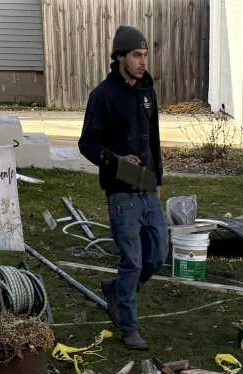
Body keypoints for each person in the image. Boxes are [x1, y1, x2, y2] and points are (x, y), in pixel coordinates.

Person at [78, 26, 168, 351]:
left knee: (158, 254)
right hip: (120, 193)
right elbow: (87, 143)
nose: (143, 62)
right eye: (136, 55)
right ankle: (129, 326)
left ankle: (117, 289)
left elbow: (154, 139)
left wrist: (158, 181)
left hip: (147, 189)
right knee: (132, 260)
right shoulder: (102, 96)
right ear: (119, 57)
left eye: (145, 55)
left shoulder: (147, 91)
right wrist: (115, 161)